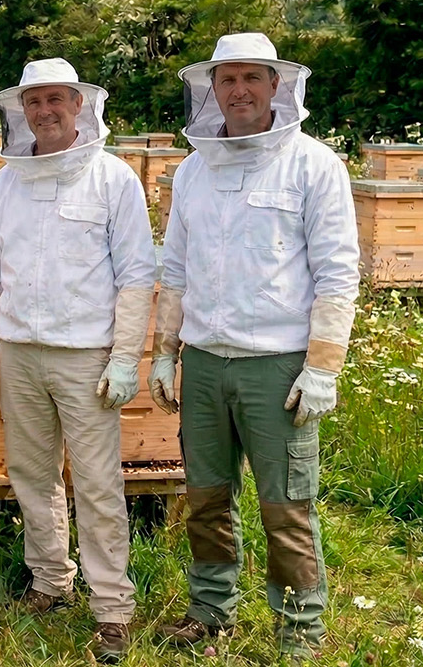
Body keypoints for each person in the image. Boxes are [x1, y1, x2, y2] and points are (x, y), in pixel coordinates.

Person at [150, 33, 359, 662]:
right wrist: (164, 350)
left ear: (276, 85)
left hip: (278, 366)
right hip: (206, 362)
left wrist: (322, 366)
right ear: (211, 89)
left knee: (286, 505)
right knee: (206, 498)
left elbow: (337, 272)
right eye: (227, 79)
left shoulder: (313, 164)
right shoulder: (194, 168)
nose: (238, 91)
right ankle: (211, 609)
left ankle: (300, 629)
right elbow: (177, 267)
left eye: (251, 78)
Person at [0, 58, 155, 663]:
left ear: (79, 104)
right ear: (22, 110)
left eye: (56, 99)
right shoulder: (6, 181)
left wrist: (126, 356)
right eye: (34, 101)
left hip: (85, 355)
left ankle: (112, 609)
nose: (44, 111)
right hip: (20, 351)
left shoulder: (113, 178)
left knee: (98, 484)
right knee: (31, 473)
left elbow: (136, 275)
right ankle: (50, 580)